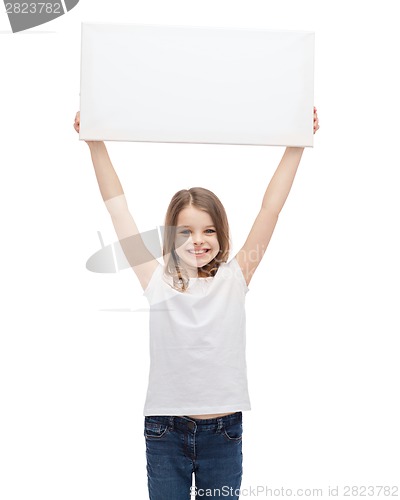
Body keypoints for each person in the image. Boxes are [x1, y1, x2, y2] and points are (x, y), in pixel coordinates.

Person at [74, 108, 319, 500]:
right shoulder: (156, 280)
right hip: (164, 431)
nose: (198, 240)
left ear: (221, 235)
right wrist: (94, 141)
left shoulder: (236, 278)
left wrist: (297, 142)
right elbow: (116, 206)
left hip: (222, 433)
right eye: (185, 231)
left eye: (208, 230)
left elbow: (270, 208)